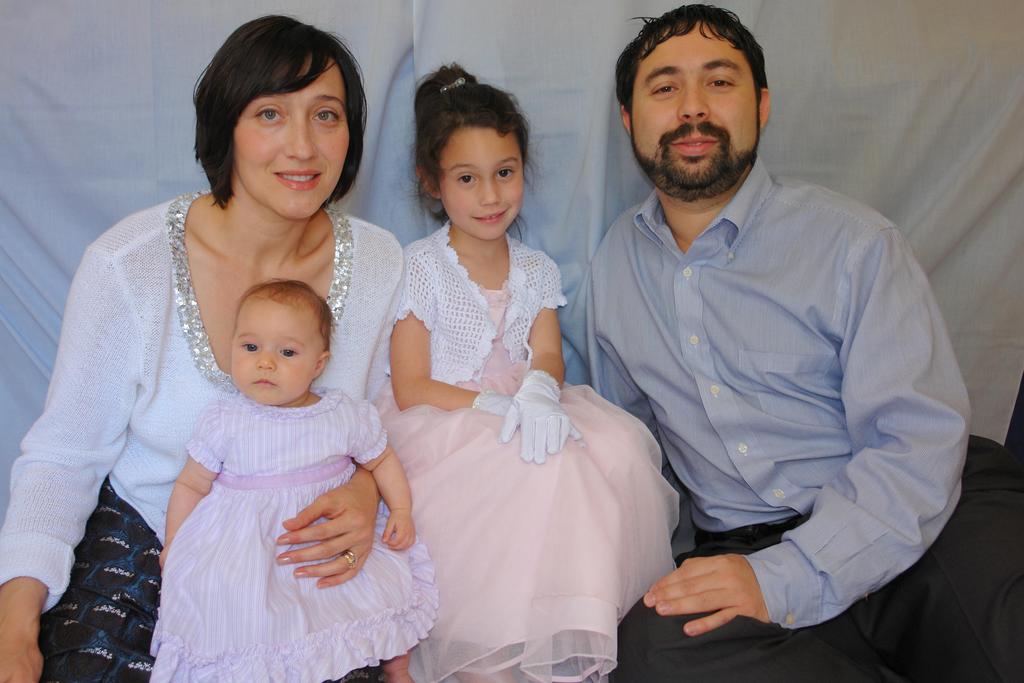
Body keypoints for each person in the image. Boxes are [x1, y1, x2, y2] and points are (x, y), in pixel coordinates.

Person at [588, 4, 1024, 681]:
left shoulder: (855, 243)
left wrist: (791, 576)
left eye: (719, 82)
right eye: (665, 87)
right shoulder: (614, 266)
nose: (693, 108)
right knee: (649, 651)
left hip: (923, 508)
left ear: (762, 105)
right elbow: (638, 455)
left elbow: (916, 445)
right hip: (744, 547)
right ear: (628, 118)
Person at [0, 16, 402, 682]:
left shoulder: (381, 260)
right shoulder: (129, 264)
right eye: (270, 113)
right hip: (149, 544)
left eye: (326, 115)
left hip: (298, 562)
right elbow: (62, 458)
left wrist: (365, 491)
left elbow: (392, 416)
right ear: (225, 127)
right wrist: (15, 630)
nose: (303, 145)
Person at [376, 64, 679, 683]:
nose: (490, 196)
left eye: (505, 173)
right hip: (445, 416)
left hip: (527, 401)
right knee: (533, 471)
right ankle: (493, 649)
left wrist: (538, 390)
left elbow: (547, 354)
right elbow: (410, 386)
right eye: (467, 178)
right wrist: (491, 407)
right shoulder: (420, 268)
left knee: (617, 452)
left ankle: (571, 630)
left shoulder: (536, 268)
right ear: (432, 182)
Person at [151, 280, 436, 682]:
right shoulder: (225, 421)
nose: (266, 363)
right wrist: (175, 544)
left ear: (318, 364)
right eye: (251, 347)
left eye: (287, 352)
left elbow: (382, 459)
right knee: (229, 604)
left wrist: (401, 509)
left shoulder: (341, 414)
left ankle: (397, 668)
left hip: (324, 537)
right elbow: (191, 485)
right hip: (247, 545)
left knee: (379, 589)